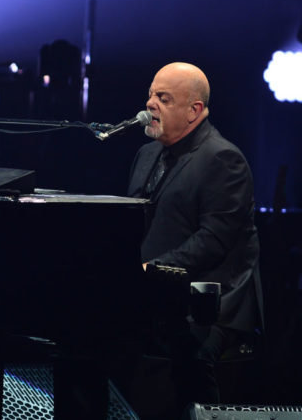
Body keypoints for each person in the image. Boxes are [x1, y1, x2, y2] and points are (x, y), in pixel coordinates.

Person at [127, 62, 264, 415]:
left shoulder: (223, 158)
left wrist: (149, 269)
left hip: (208, 313)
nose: (150, 104)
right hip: (158, 303)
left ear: (195, 111)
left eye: (164, 98)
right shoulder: (147, 155)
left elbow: (212, 240)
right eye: (151, 94)